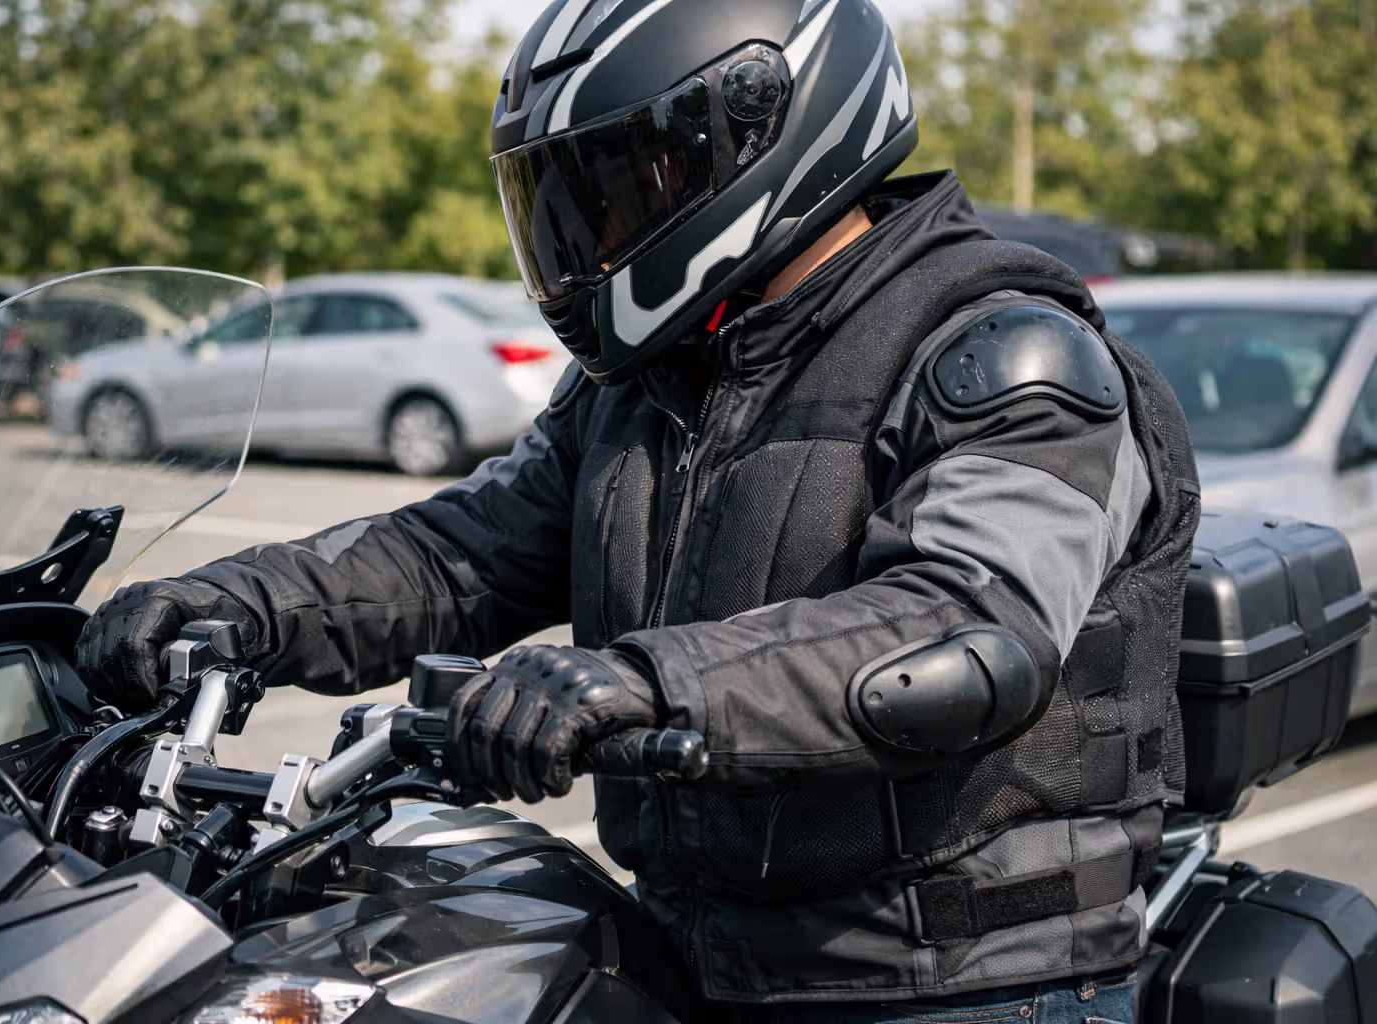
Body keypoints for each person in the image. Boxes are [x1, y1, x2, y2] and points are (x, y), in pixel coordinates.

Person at [76, 1, 1199, 1020]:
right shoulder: (654, 381)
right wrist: (230, 604)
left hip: (954, 984)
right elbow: (454, 558)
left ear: (767, 125)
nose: (591, 234)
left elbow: (960, 636)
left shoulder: (1008, 355)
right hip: (695, 949)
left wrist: (641, 679)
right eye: (566, 200)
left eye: (623, 185)